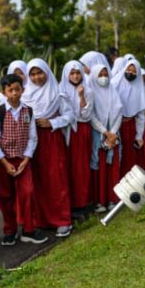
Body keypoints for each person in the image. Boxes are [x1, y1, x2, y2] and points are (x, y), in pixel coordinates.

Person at [0, 74, 46, 246]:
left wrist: (26, 159)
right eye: (10, 90)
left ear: (23, 90)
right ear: (4, 92)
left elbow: (33, 137)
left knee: (27, 193)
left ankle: (28, 230)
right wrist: (5, 163)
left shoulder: (28, 111)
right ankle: (10, 231)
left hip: (22, 160)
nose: (14, 93)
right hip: (3, 161)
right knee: (6, 196)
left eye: (17, 89)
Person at [22, 58, 74, 238]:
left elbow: (69, 116)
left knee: (56, 178)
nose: (36, 77)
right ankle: (41, 219)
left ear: (47, 72)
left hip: (51, 139)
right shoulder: (24, 95)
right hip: (31, 141)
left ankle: (62, 220)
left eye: (40, 73)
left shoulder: (57, 92)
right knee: (37, 179)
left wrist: (52, 122)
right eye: (33, 74)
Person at [60, 60, 94, 215]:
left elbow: (86, 115)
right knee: (67, 167)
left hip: (81, 131)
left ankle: (81, 202)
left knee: (80, 168)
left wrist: (81, 96)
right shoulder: (61, 90)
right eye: (72, 73)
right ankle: (69, 202)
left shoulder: (87, 90)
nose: (75, 76)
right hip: (65, 132)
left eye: (78, 73)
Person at [88, 64, 123, 212]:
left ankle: (112, 199)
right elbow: (91, 116)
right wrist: (105, 133)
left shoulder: (113, 91)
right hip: (99, 135)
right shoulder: (91, 93)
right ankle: (100, 201)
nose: (103, 77)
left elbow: (119, 112)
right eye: (100, 74)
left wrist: (113, 133)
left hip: (113, 135)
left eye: (105, 74)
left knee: (112, 167)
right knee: (100, 168)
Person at [112, 58, 145, 175]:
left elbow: (140, 115)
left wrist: (139, 135)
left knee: (129, 155)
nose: (130, 73)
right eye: (128, 70)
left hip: (129, 127)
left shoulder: (138, 89)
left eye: (134, 72)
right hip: (113, 127)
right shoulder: (114, 84)